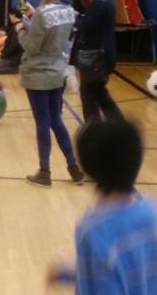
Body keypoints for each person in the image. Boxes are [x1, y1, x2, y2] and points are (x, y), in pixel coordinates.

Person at [48, 119, 157, 294]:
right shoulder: (151, 209)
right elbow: (127, 268)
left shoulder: (93, 229)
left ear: (89, 168)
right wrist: (70, 273)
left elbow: (101, 283)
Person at [16, 0, 84, 187]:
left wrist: (19, 27)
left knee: (42, 123)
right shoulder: (67, 10)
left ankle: (44, 171)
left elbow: (31, 47)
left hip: (37, 75)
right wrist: (33, 17)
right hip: (57, 71)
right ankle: (74, 168)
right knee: (56, 119)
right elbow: (53, 32)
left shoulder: (42, 15)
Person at [72, 0, 124, 123]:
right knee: (100, 95)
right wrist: (81, 17)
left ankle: (93, 130)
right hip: (103, 56)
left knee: (89, 98)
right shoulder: (107, 1)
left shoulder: (99, 3)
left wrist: (74, 20)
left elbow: (87, 26)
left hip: (95, 59)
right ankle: (118, 125)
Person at [0, 9, 23, 74]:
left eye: (9, 15)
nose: (9, 17)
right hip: (13, 57)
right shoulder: (18, 25)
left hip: (13, 59)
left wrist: (3, 55)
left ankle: (17, 68)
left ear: (13, 15)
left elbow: (13, 45)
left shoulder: (17, 27)